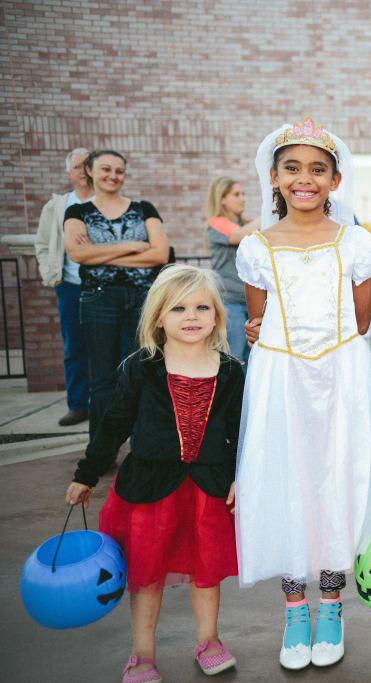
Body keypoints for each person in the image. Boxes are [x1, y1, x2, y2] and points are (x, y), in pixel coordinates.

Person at [233, 117, 371, 670]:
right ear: (274, 177)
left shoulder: (356, 242)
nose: (305, 179)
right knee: (287, 481)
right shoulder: (256, 247)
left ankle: (330, 602)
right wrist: (261, 334)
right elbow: (259, 319)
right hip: (282, 380)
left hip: (340, 377)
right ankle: (295, 611)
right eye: (292, 168)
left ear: (335, 181)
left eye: (317, 170)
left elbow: (362, 319)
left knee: (335, 479)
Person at [64, 264, 244, 682]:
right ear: (159, 317)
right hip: (149, 491)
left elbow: (240, 432)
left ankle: (209, 641)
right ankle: (142, 654)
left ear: (217, 314)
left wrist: (239, 475)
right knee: (146, 575)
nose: (192, 316)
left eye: (202, 307)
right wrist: (86, 474)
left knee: (206, 570)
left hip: (209, 489)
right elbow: (113, 425)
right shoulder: (141, 367)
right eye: (179, 308)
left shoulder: (232, 371)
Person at [63, 149, 170, 437]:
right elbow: (76, 253)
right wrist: (132, 246)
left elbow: (160, 253)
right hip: (98, 300)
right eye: (105, 169)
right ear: (90, 172)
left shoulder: (144, 208)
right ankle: (102, 448)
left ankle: (142, 446)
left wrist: (98, 254)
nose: (113, 176)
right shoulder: (77, 212)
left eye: (119, 171)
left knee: (142, 371)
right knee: (103, 378)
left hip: (141, 299)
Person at [33, 147, 93, 426]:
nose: (84, 171)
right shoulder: (58, 205)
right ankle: (78, 405)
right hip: (69, 286)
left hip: (102, 288)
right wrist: (51, 275)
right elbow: (42, 243)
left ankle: (110, 403)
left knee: (111, 346)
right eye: (78, 166)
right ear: (69, 172)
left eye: (88, 165)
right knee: (74, 347)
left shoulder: (105, 201)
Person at [204, 176, 260, 365]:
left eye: (243, 194)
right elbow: (238, 236)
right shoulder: (217, 223)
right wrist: (268, 213)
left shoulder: (248, 223)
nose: (242, 198)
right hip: (230, 302)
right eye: (236, 194)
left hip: (253, 301)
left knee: (254, 358)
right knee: (233, 359)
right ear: (222, 199)